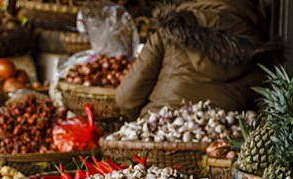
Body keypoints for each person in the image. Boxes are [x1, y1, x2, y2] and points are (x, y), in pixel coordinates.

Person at [115, 0, 271, 119]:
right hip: (225, 141)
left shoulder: (169, 28)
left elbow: (127, 99)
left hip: (160, 129)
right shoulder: (260, 40)